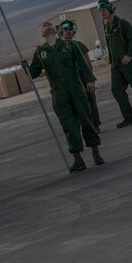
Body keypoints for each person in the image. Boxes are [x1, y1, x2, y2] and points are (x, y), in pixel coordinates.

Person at [28, 22, 104, 172]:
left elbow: (83, 64)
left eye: (50, 26)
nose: (48, 28)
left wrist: (90, 80)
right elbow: (34, 73)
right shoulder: (40, 52)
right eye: (45, 27)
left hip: (76, 89)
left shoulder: (69, 45)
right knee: (69, 127)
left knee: (86, 121)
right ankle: (78, 159)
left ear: (56, 31)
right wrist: (26, 68)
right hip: (59, 94)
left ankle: (96, 153)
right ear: (43, 34)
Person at [98, 0, 132, 128]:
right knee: (116, 90)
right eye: (100, 11)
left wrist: (129, 55)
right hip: (116, 65)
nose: (102, 13)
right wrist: (111, 61)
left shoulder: (123, 24)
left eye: (104, 10)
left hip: (127, 62)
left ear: (110, 9)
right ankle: (129, 117)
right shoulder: (106, 27)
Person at [59, 19, 101, 130]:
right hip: (71, 79)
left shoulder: (80, 45)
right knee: (77, 105)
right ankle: (85, 126)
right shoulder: (59, 47)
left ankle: (95, 125)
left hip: (83, 76)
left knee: (91, 101)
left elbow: (87, 63)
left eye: (70, 29)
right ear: (61, 32)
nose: (68, 32)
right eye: (65, 30)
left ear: (73, 31)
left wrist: (90, 79)